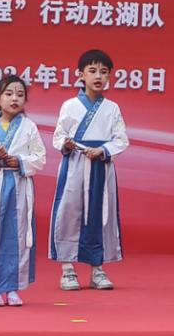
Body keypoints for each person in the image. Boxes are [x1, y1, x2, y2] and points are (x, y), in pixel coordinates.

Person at [49, 49, 129, 291]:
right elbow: (58, 136)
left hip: (101, 168)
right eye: (92, 71)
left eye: (104, 72)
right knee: (69, 212)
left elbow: (121, 139)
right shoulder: (70, 105)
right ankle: (67, 269)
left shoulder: (112, 108)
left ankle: (97, 269)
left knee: (100, 214)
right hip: (75, 165)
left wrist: (102, 150)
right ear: (80, 75)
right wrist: (67, 144)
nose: (98, 76)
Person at [0, 75, 47, 306]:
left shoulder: (29, 127)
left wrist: (19, 161)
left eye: (20, 95)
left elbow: (40, 157)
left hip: (19, 185)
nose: (15, 99)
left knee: (18, 235)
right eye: (9, 94)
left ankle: (13, 288)